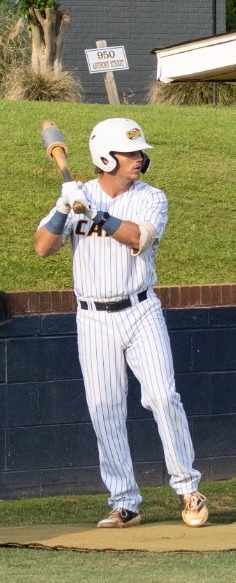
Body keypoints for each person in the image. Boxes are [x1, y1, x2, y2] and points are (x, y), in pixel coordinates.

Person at [34, 118, 209, 528]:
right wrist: (63, 210)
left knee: (163, 397)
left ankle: (188, 489)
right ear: (105, 158)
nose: (140, 159)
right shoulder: (77, 195)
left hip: (141, 309)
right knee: (104, 409)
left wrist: (96, 215)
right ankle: (124, 501)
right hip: (93, 318)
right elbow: (44, 247)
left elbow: (138, 238)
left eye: (138, 152)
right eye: (130, 153)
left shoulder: (153, 197)